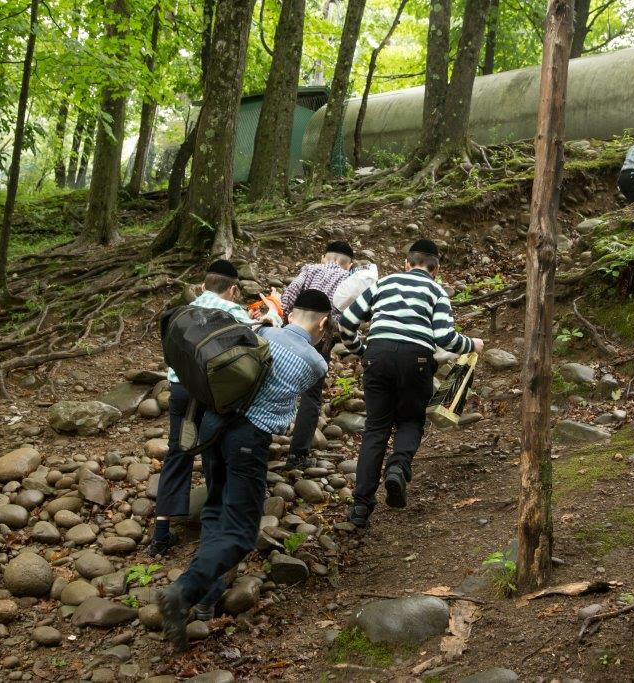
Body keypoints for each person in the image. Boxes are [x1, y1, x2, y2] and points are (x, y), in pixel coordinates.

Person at [157, 289, 331, 650]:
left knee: (217, 509)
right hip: (248, 440)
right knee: (239, 532)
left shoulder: (263, 334)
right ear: (324, 323)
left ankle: (207, 597)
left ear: (291, 312)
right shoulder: (316, 362)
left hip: (213, 427)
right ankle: (183, 592)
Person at [337, 240, 483, 529]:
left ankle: (360, 507)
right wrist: (473, 344)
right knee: (411, 421)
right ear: (436, 269)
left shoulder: (385, 283)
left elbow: (347, 320)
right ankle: (397, 468)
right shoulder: (436, 290)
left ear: (407, 263)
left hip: (377, 357)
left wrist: (361, 351)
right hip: (415, 360)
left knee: (375, 430)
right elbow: (445, 337)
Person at [149, 259, 278, 558]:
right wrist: (269, 318)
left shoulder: (184, 311)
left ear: (204, 286)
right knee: (211, 448)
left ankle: (160, 534)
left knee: (176, 453)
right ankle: (214, 521)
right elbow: (257, 346)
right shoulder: (233, 312)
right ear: (233, 289)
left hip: (179, 390)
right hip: (210, 393)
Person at [280, 240, 356, 470]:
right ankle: (298, 456)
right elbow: (347, 318)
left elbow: (287, 299)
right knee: (311, 398)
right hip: (319, 344)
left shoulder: (309, 269)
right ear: (349, 264)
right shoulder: (349, 280)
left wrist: (289, 319)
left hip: (291, 337)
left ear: (324, 257)